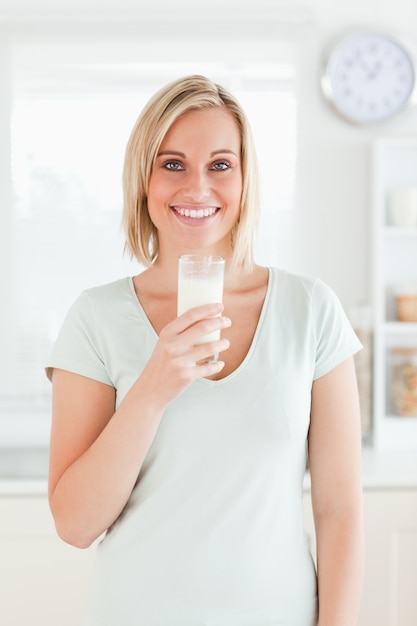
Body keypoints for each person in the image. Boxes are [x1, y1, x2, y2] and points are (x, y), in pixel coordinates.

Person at [46, 74, 364, 626]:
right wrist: (152, 389)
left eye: (220, 165)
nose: (197, 188)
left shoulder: (310, 309)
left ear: (245, 179)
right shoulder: (95, 318)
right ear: (143, 180)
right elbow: (74, 524)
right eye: (173, 164)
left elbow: (339, 510)